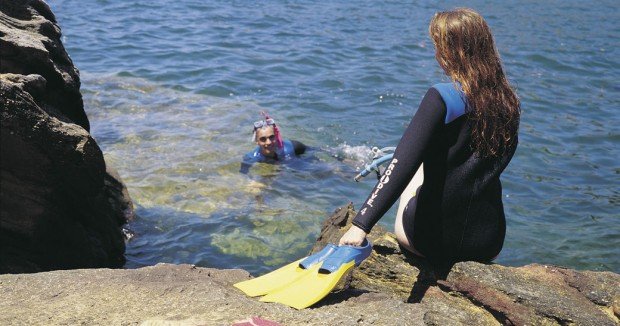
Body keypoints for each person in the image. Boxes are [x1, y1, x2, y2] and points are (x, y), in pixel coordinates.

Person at [339, 8, 521, 266]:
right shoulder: (509, 102)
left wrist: (360, 225)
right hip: (488, 243)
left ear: (451, 52)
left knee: (414, 170)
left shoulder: (442, 96)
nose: (436, 54)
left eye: (439, 46)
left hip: (431, 241)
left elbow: (400, 166)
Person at [240, 112, 307, 174]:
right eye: (263, 139)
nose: (269, 142)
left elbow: (312, 152)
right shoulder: (250, 158)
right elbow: (242, 175)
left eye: (271, 137)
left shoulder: (293, 146)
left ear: (276, 137)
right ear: (257, 141)